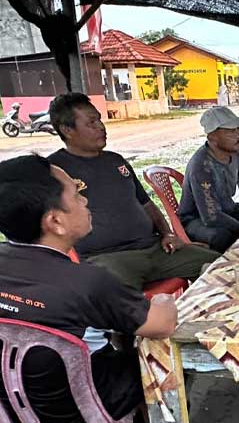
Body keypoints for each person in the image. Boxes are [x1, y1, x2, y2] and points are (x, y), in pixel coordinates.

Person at [0, 155, 179, 423]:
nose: (86, 198)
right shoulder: (86, 281)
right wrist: (162, 300)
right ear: (55, 221)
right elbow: (163, 324)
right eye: (77, 191)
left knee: (113, 345)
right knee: (150, 355)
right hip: (70, 416)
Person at [47, 92, 219, 290]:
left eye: (99, 120)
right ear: (67, 130)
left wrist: (167, 233)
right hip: (107, 259)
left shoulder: (116, 161)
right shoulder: (55, 171)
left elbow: (146, 204)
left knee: (222, 265)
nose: (101, 127)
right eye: (91, 123)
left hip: (156, 250)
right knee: (121, 301)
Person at [177, 106, 239, 252]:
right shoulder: (201, 167)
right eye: (231, 130)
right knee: (223, 236)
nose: (238, 134)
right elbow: (211, 217)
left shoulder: (233, 152)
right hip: (196, 219)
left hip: (224, 209)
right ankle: (223, 269)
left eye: (238, 128)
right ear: (212, 137)